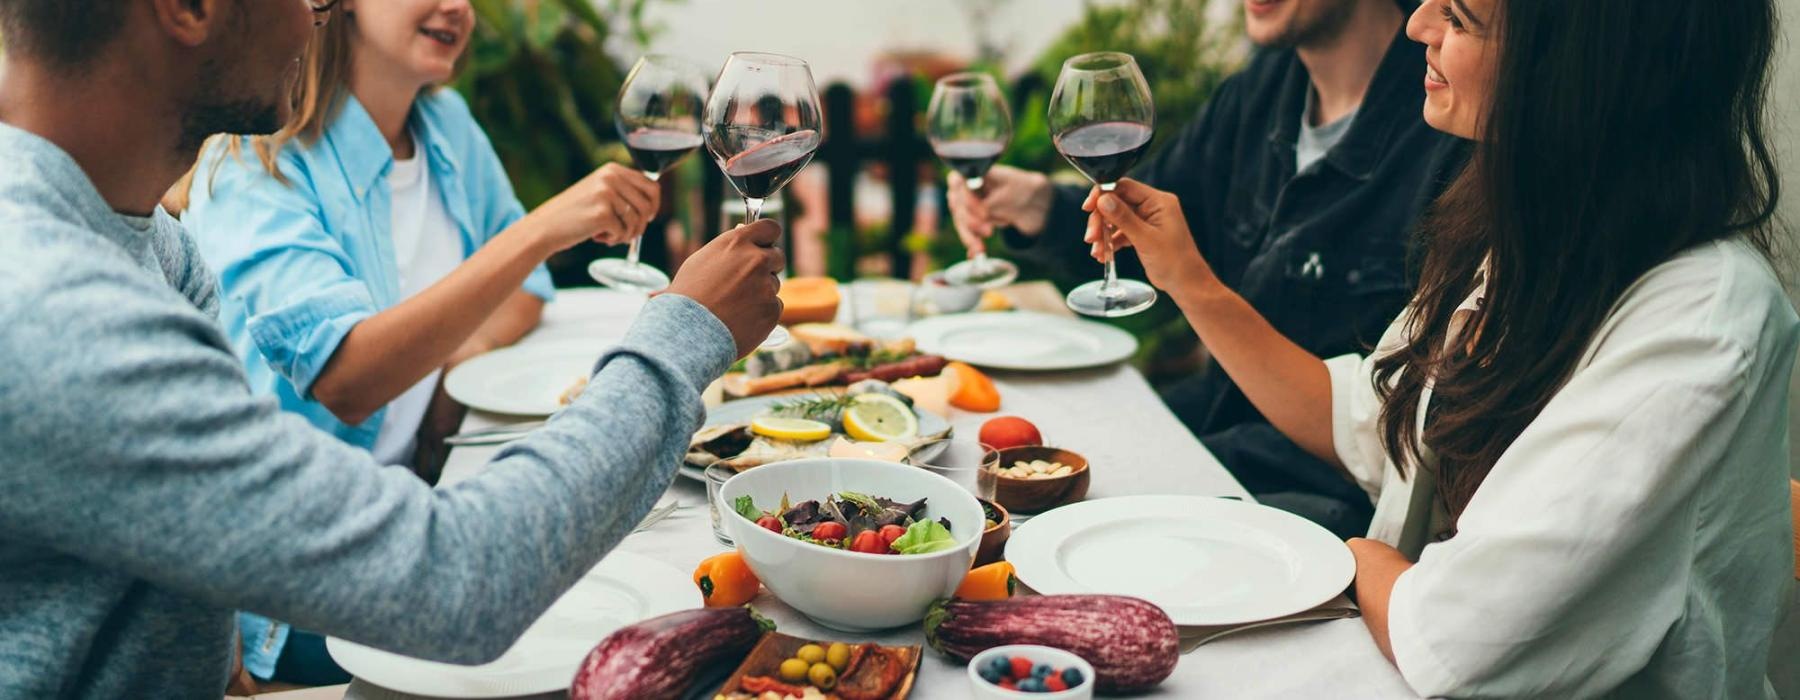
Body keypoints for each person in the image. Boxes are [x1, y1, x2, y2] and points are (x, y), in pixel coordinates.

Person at [0, 1, 783, 697]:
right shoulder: (55, 309)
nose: (319, 14)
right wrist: (683, 334)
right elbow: (455, 580)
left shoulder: (145, 239)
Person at [1090, 0, 1793, 695]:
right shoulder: (1537, 236)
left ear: (1572, 72)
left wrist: (1362, 558)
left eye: (1457, 17)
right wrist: (1187, 278)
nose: (1416, 25)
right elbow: (1371, 425)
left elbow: (1458, 641)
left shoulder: (1700, 321)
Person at [169, 1, 662, 683]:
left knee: (632, 585)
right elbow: (346, 379)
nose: (455, 6)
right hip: (299, 579)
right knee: (587, 627)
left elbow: (525, 293)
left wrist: (456, 362)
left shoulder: (444, 126)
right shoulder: (258, 163)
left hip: (415, 515)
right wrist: (539, 231)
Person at [947, 0, 1467, 539]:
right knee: (985, 470)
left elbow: (1399, 437)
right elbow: (1148, 235)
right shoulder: (1260, 91)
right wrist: (1038, 206)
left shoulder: (1451, 129)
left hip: (1323, 506)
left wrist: (1193, 286)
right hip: (1216, 431)